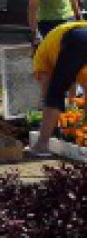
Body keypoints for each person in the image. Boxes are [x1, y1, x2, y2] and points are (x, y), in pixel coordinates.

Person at [27, 20, 87, 157]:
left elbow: (48, 92)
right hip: (78, 34)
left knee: (54, 94)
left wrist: (52, 120)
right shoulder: (56, 52)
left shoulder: (39, 60)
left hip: (76, 38)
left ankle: (41, 145)